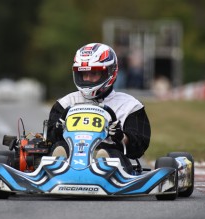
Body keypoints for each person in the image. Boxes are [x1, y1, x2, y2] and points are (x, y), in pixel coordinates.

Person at [47, 43, 151, 173]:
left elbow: (138, 148)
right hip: (71, 154)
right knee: (60, 148)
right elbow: (49, 141)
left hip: (111, 158)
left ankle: (103, 166)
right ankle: (59, 165)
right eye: (84, 74)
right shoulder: (65, 103)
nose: (88, 79)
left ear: (110, 72)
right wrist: (57, 130)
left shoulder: (129, 106)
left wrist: (121, 137)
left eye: (94, 73)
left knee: (106, 153)